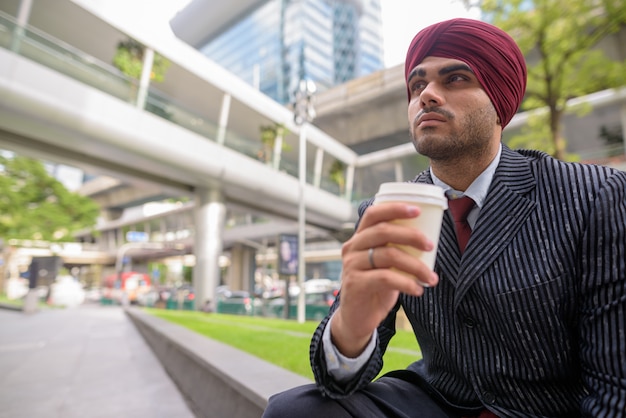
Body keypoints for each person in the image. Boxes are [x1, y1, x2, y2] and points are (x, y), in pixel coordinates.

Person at [262, 17, 626, 418]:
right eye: (417, 85)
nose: (427, 95)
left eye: (455, 79)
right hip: (438, 402)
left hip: (547, 410)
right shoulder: (386, 210)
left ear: (500, 98)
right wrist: (352, 325)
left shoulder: (594, 194)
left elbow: (615, 386)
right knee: (293, 410)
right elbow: (336, 382)